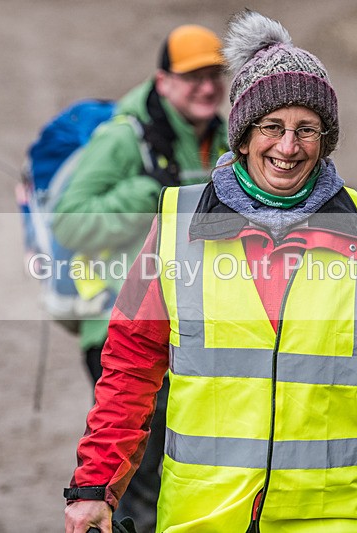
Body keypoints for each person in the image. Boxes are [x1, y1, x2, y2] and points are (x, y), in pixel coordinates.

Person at [64, 10, 357, 533]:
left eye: (306, 129)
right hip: (204, 519)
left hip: (330, 519)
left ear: (325, 140)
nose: (287, 148)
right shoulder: (179, 226)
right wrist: (94, 487)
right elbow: (129, 367)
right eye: (272, 127)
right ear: (243, 136)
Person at [53, 23, 229, 532]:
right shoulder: (123, 139)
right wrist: (148, 194)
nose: (207, 86)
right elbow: (68, 220)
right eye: (192, 76)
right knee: (140, 473)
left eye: (214, 74)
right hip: (120, 327)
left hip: (195, 331)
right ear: (162, 80)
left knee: (191, 467)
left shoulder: (222, 138)